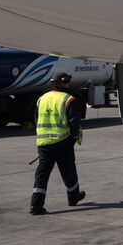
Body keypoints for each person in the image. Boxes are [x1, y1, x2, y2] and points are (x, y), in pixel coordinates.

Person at [30, 72, 87, 215]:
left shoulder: (41, 99)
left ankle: (36, 205)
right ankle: (73, 197)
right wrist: (72, 138)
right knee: (68, 170)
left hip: (43, 143)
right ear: (65, 82)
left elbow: (37, 120)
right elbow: (74, 123)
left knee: (42, 174)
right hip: (62, 141)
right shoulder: (69, 100)